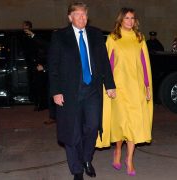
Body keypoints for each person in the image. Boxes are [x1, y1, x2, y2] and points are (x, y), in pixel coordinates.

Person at [47, 2, 116, 180]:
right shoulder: (60, 36)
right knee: (72, 131)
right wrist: (56, 91)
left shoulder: (95, 34)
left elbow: (104, 62)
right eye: (77, 15)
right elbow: (53, 66)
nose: (81, 18)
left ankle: (86, 159)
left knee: (93, 126)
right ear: (70, 17)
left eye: (84, 15)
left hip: (92, 89)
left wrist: (109, 84)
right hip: (69, 91)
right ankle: (77, 170)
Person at [95, 7, 153, 176]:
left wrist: (147, 87)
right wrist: (107, 86)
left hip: (136, 88)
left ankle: (129, 159)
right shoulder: (113, 38)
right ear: (120, 20)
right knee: (121, 123)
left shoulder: (139, 38)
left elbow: (144, 64)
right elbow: (108, 64)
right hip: (119, 88)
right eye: (126, 18)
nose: (130, 21)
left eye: (132, 18)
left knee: (134, 123)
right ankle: (118, 151)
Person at [22, 21, 48, 111]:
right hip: (31, 65)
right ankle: (36, 102)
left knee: (39, 85)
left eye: (25, 26)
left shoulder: (34, 38)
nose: (24, 28)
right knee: (33, 85)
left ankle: (40, 104)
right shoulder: (24, 37)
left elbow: (41, 48)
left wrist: (38, 62)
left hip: (36, 65)